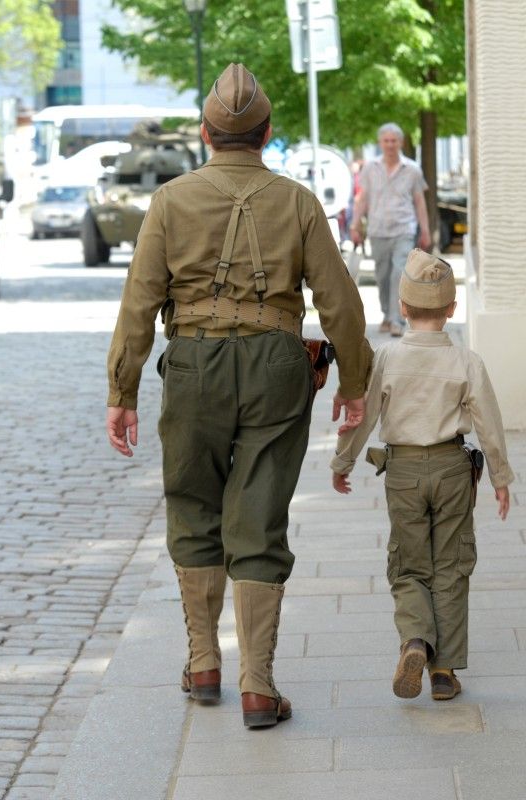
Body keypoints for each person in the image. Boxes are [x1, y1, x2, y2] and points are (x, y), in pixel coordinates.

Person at [105, 63, 373, 728]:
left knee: (194, 507)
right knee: (259, 517)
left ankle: (203, 666)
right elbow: (339, 302)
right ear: (267, 132)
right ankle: (258, 686)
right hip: (276, 365)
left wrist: (123, 389)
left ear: (205, 133)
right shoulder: (298, 201)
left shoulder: (169, 201)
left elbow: (139, 302)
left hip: (193, 365)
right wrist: (355, 382)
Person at [331, 249, 514, 701]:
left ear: (402, 307)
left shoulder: (388, 357)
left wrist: (343, 462)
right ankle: (444, 673)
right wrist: (500, 477)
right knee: (451, 566)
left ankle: (415, 639)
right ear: (452, 308)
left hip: (404, 470)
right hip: (453, 469)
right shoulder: (467, 361)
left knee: (409, 563)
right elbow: (489, 424)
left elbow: (364, 415)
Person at [350, 123, 431, 337]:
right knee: (382, 275)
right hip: (377, 230)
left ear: (401, 143)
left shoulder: (412, 169)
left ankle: (397, 320)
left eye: (394, 141)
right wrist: (355, 224)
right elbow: (362, 198)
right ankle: (387, 314)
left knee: (399, 273)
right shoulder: (370, 168)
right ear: (380, 143)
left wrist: (425, 230)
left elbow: (419, 201)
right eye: (386, 141)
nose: (390, 145)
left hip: (404, 228)